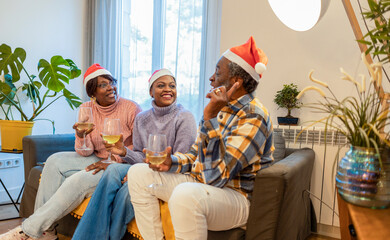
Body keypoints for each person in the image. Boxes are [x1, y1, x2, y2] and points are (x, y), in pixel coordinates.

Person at [127, 36, 274, 240]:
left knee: (185, 194)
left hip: (237, 198)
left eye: (218, 72)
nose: (211, 78)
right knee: (138, 173)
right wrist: (172, 162)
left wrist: (210, 118)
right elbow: (196, 155)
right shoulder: (223, 108)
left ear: (236, 82)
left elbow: (215, 178)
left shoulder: (253, 115)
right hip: (205, 184)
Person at [1, 64, 142, 240]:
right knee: (53, 161)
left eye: (111, 82)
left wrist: (115, 161)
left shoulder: (131, 109)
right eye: (103, 85)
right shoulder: (86, 108)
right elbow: (85, 152)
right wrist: (81, 135)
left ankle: (29, 229)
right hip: (96, 156)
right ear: (92, 93)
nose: (111, 88)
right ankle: (47, 232)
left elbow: (140, 153)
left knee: (79, 179)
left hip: (121, 165)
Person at [71, 69, 197, 239]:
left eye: (172, 86)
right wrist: (124, 152)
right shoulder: (142, 118)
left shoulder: (185, 117)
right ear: (151, 92)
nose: (168, 89)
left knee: (125, 193)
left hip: (170, 173)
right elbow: (138, 154)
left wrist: (138, 174)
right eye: (161, 85)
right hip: (142, 167)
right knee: (112, 170)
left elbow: (180, 162)